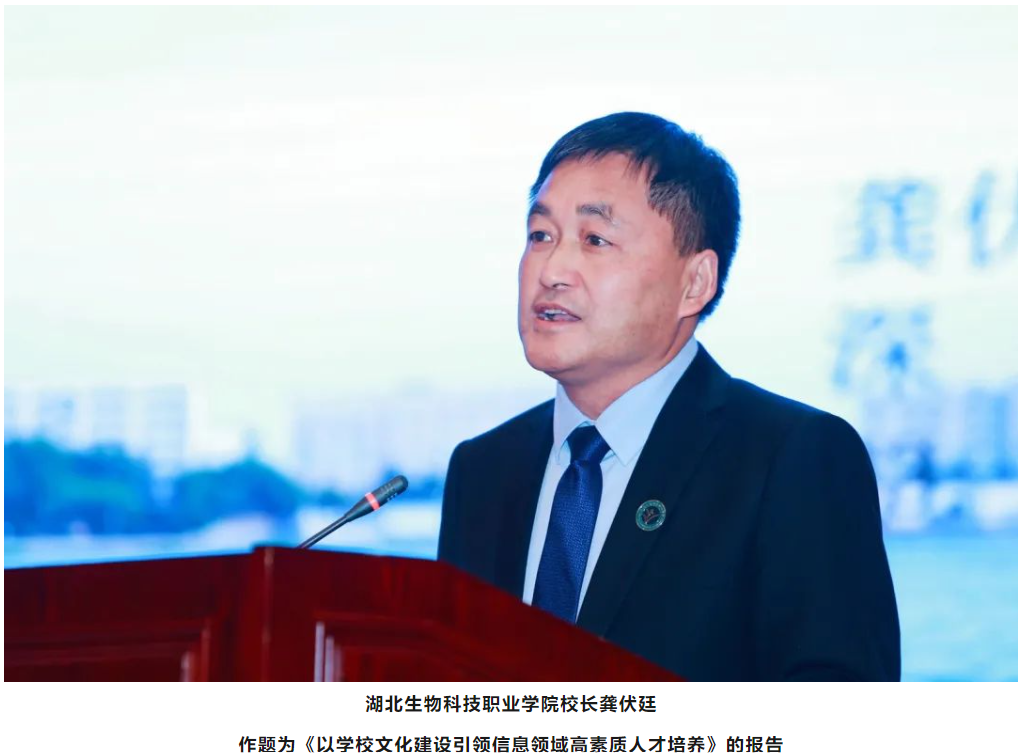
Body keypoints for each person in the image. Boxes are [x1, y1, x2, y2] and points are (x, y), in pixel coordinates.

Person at [438, 112, 900, 681]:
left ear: (694, 283)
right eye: (540, 236)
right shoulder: (483, 470)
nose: (552, 269)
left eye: (595, 239)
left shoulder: (791, 458)